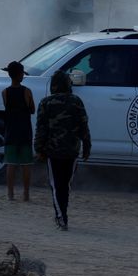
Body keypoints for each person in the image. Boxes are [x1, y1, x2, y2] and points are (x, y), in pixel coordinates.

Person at [35, 70, 91, 231]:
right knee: (65, 185)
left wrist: (38, 149)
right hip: (72, 150)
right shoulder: (76, 101)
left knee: (56, 185)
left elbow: (41, 129)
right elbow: (84, 127)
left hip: (53, 152)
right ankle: (62, 215)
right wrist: (87, 146)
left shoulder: (46, 103)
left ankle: (61, 218)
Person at [2, 60, 35, 201]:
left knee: (11, 163)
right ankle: (26, 194)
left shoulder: (5, 92)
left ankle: (10, 194)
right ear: (20, 75)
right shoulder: (27, 91)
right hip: (25, 131)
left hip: (10, 130)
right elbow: (32, 109)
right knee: (26, 164)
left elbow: (7, 108)